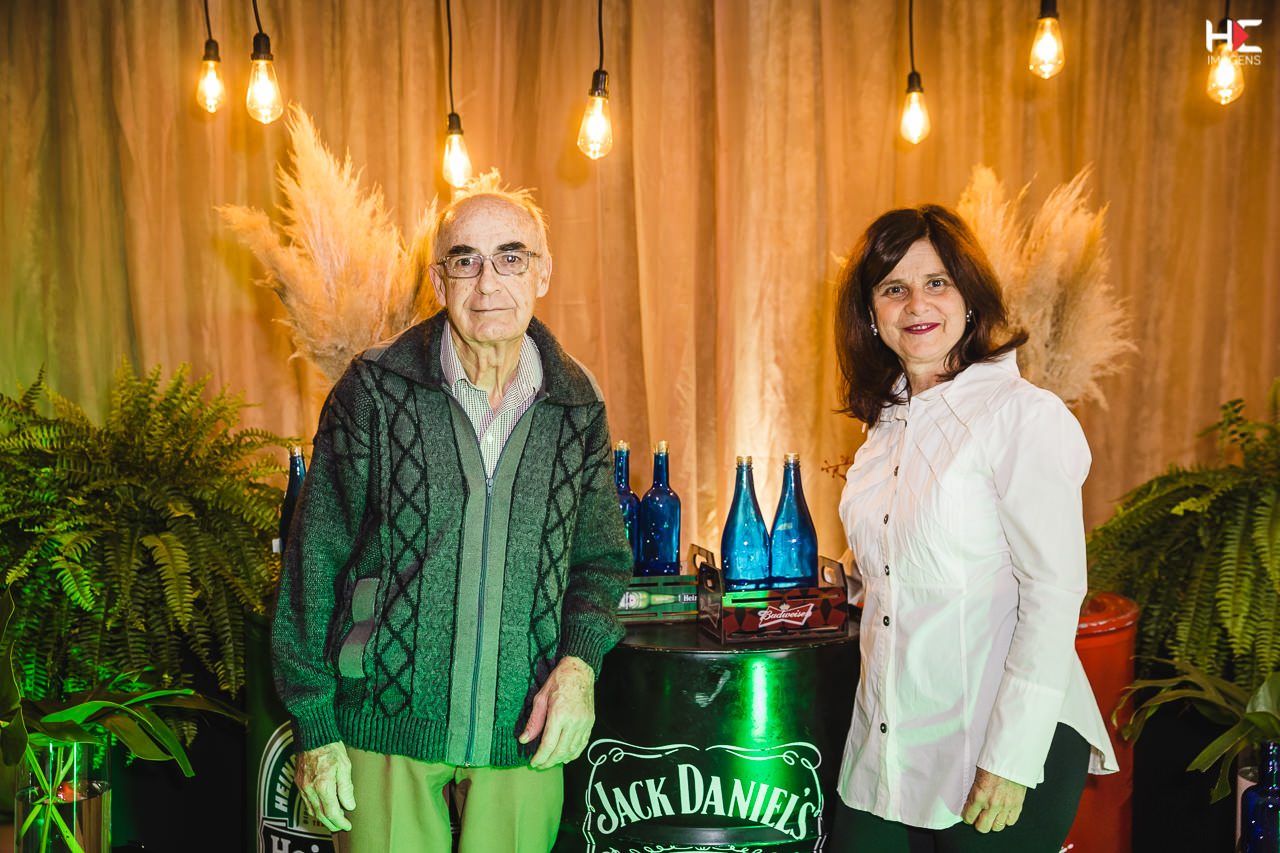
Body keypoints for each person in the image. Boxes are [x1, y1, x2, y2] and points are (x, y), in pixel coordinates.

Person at [271, 177, 633, 852]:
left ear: (543, 273)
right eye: (466, 260)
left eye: (511, 257)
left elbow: (601, 561)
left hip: (521, 727)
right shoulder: (374, 389)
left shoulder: (577, 404)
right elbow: (312, 559)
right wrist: (314, 724)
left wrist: (580, 665)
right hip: (385, 724)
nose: (488, 282)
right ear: (440, 281)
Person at [827, 204, 1119, 852]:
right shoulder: (884, 428)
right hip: (889, 737)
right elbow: (897, 568)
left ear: (969, 296)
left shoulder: (1023, 416)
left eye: (937, 282)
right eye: (893, 288)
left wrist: (1011, 757)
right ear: (870, 314)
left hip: (1000, 737)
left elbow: (1053, 592)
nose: (916, 304)